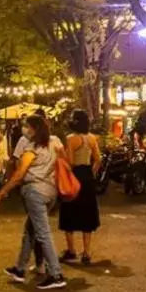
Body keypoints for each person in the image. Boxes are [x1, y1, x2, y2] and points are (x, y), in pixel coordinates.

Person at [0, 115, 66, 289]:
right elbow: (65, 160)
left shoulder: (31, 148)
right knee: (30, 231)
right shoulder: (55, 141)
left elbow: (19, 175)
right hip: (51, 191)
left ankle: (56, 274)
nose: (24, 130)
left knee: (43, 233)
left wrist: (2, 192)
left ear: (34, 129)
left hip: (35, 192)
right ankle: (20, 269)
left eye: (27, 127)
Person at [58, 109, 102, 265]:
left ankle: (71, 250)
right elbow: (98, 159)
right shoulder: (91, 138)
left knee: (69, 212)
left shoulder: (71, 139)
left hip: (74, 176)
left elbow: (69, 161)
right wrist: (92, 172)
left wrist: (60, 155)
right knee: (87, 213)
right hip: (87, 177)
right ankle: (87, 252)